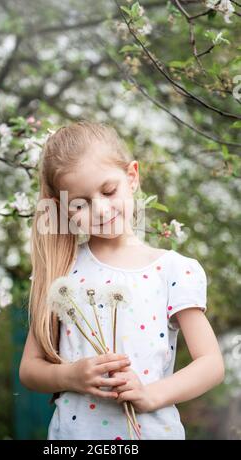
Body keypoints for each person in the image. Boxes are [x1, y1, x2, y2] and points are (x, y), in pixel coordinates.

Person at [19, 120, 225, 440]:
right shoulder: (62, 270)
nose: (100, 210)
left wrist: (151, 395)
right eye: (80, 203)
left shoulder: (172, 270)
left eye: (108, 190)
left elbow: (211, 364)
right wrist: (70, 376)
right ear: (63, 209)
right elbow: (30, 370)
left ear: (132, 176)